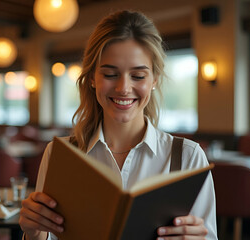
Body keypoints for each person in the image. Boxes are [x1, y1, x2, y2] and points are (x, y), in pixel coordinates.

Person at [19, 10, 217, 240]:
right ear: (92, 78)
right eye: (111, 74)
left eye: (138, 76)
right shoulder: (60, 155)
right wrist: (33, 233)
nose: (123, 88)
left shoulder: (188, 158)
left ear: (155, 80)